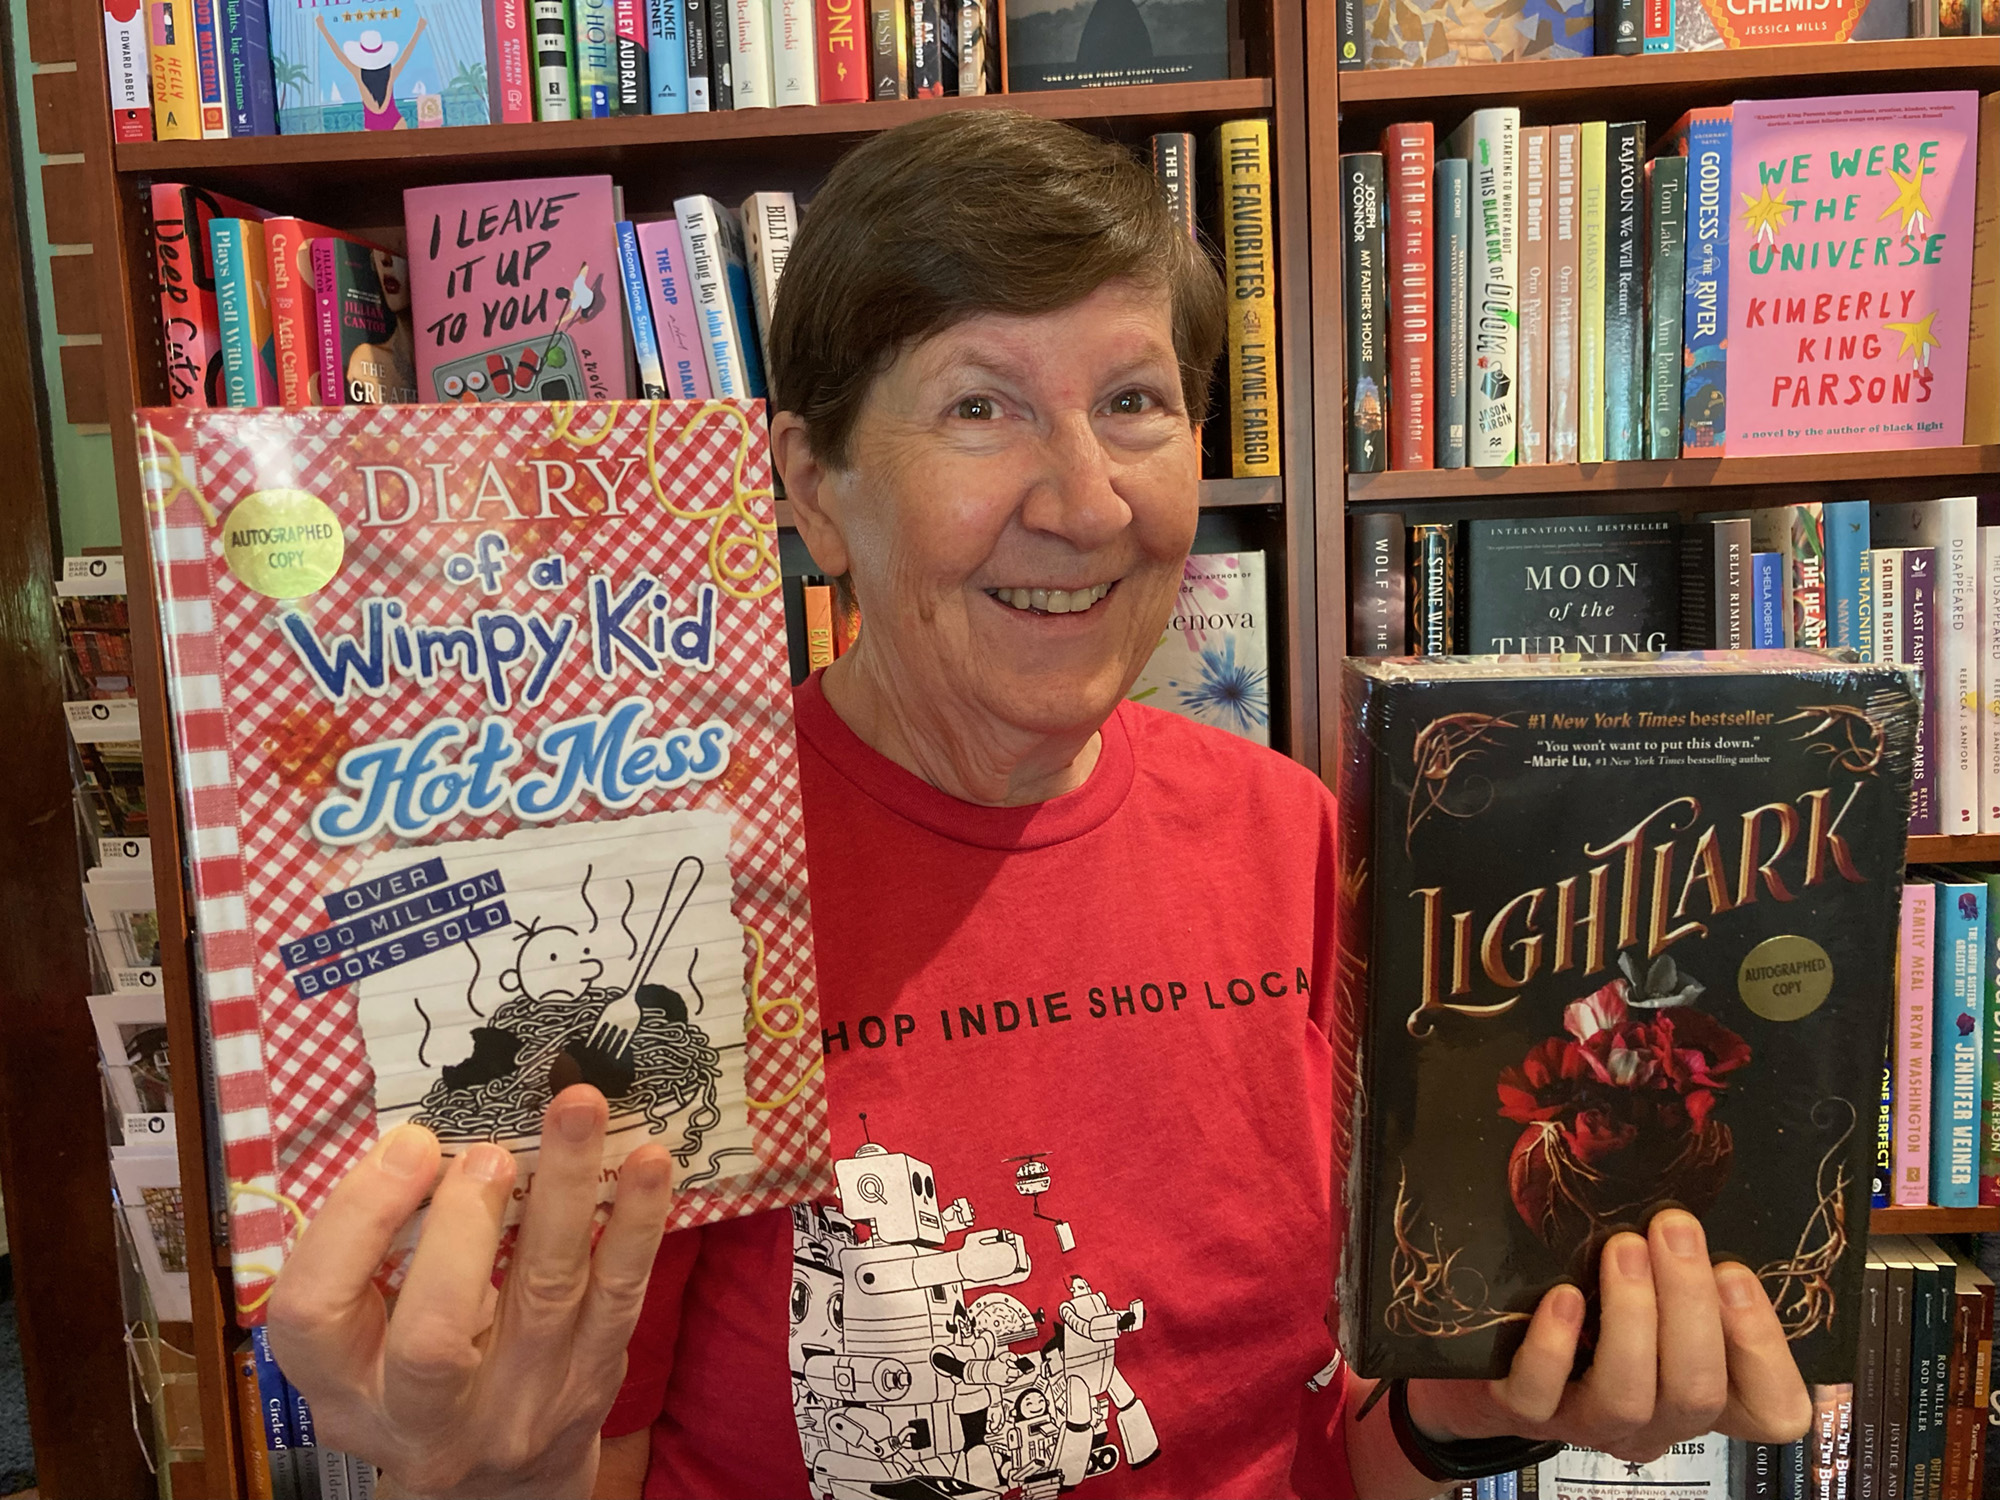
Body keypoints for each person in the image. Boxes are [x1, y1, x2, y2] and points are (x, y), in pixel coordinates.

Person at [265, 111, 1814, 1499]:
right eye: (979, 409)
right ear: (812, 488)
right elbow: (566, 1456)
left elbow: (1319, 1442)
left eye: (1134, 401)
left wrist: (1463, 1420)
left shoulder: (1292, 835)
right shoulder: (658, 897)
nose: (1086, 503)